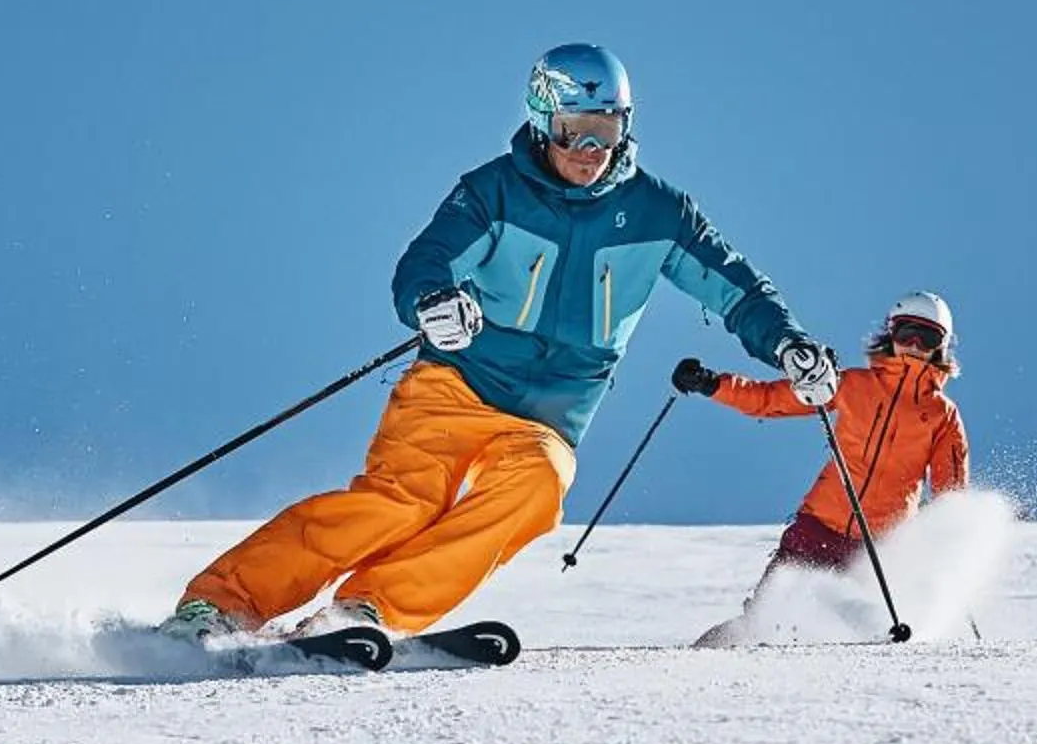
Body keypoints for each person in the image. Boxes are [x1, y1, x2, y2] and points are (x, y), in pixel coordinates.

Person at [163, 44, 836, 641]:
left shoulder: (661, 214)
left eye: (606, 132)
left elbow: (738, 291)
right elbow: (425, 263)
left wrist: (788, 347)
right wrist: (432, 306)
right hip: (455, 386)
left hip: (549, 416)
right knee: (401, 502)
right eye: (576, 132)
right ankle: (223, 602)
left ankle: (369, 609)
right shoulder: (494, 191)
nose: (590, 153)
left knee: (539, 487)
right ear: (545, 121)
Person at [674, 290, 968, 619]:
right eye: (905, 333)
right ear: (890, 335)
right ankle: (729, 655)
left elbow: (951, 494)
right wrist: (712, 384)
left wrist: (945, 541)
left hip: (880, 549)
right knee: (768, 618)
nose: (913, 344)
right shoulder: (852, 385)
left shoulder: (943, 416)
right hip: (818, 530)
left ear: (939, 347)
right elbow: (770, 400)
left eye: (926, 337)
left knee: (858, 626)